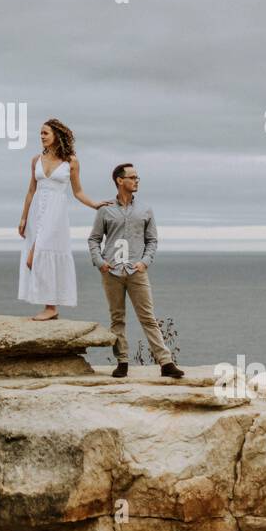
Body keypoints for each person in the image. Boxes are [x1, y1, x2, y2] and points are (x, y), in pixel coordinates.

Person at [87, 162, 185, 378]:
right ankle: (122, 362)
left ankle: (166, 363)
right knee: (117, 318)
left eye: (137, 177)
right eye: (132, 177)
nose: (136, 180)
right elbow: (94, 239)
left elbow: (152, 240)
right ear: (119, 180)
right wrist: (100, 262)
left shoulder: (145, 209)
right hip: (111, 272)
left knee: (148, 317)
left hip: (137, 272)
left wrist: (145, 262)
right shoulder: (105, 209)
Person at [18, 119, 110, 321]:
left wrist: (95, 205)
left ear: (57, 136)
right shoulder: (35, 160)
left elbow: (78, 191)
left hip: (56, 214)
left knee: (38, 257)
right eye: (40, 133)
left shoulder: (71, 161)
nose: (41, 136)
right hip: (37, 213)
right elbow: (31, 190)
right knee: (33, 260)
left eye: (45, 133)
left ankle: (51, 307)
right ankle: (50, 305)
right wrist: (24, 217)